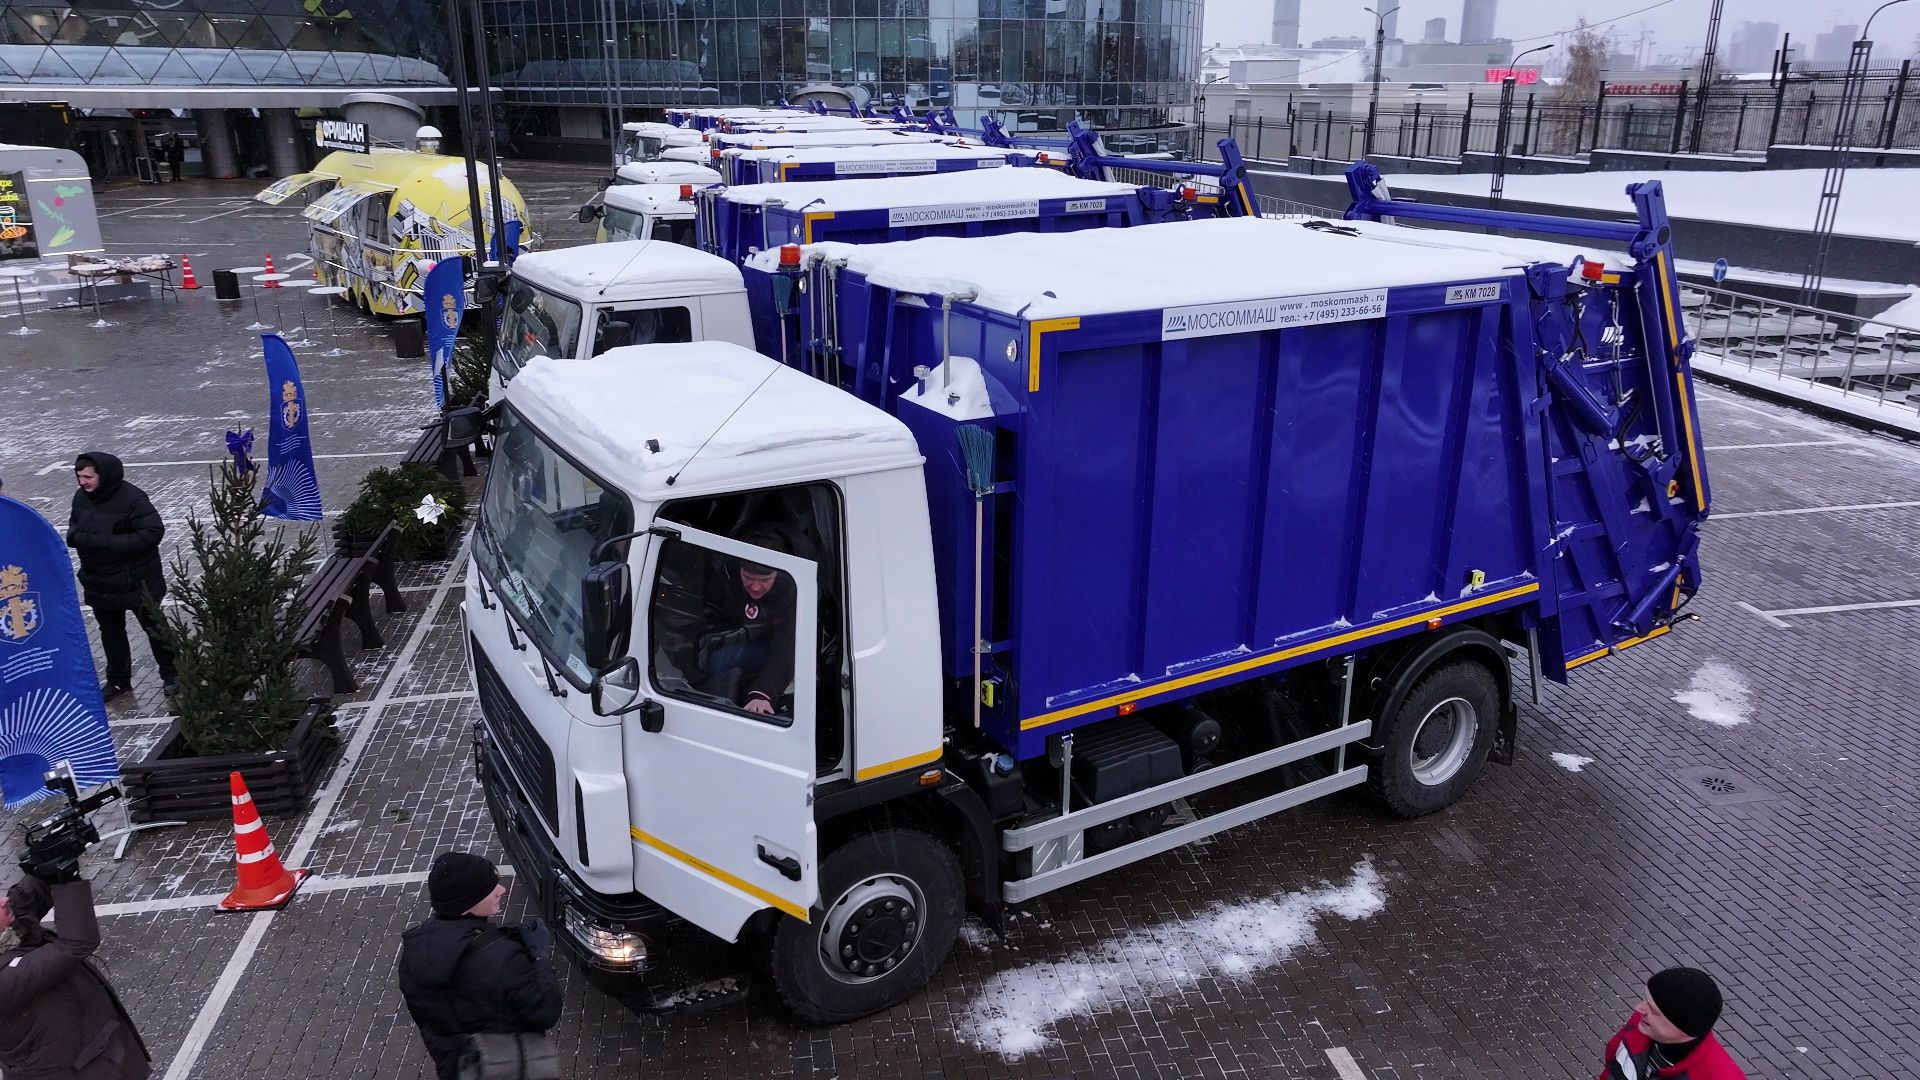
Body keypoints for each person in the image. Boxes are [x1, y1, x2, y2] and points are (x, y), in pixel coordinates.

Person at [397, 852, 562, 1080]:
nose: (502, 890)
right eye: (489, 889)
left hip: (459, 1068)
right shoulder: (504, 958)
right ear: (467, 904)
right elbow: (545, 1011)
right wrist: (539, 956)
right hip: (510, 1067)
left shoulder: (414, 951)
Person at [0, 873, 153, 1079]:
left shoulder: (5, 933)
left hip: (96, 1060)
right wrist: (68, 877)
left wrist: (47, 865)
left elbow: (26, 899)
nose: (4, 901)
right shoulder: (5, 982)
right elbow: (75, 944)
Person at [66, 451, 175, 702]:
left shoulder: (133, 499)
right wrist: (77, 538)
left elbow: (153, 532)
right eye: (79, 477)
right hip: (99, 581)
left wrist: (108, 543)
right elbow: (74, 528)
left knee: (155, 628)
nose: (83, 482)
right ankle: (118, 680)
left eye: (88, 477)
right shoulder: (82, 497)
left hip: (137, 581)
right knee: (110, 633)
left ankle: (173, 674)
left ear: (103, 475)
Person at [696, 524, 797, 716]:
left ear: (778, 573)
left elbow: (787, 644)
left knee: (721, 659)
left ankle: (727, 714)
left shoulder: (792, 586)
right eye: (748, 577)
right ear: (740, 569)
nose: (756, 587)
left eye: (765, 580)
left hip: (777, 645)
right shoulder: (728, 571)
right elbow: (712, 606)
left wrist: (763, 694)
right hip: (740, 635)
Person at [1599, 967, 1747, 1080]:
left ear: (1684, 1030)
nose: (1639, 1008)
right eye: (1646, 1000)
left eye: (1654, 1010)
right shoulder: (1642, 1024)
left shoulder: (1719, 1075)